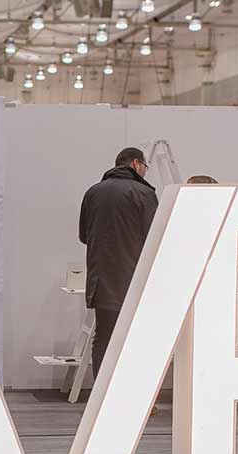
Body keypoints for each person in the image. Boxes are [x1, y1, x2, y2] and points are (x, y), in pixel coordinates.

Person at [78, 147, 159, 376]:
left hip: (100, 280)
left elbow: (84, 236)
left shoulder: (93, 192)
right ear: (136, 163)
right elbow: (154, 238)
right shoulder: (144, 194)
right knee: (134, 339)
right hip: (132, 279)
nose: (145, 171)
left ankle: (100, 391)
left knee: (103, 336)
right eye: (145, 166)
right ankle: (129, 392)